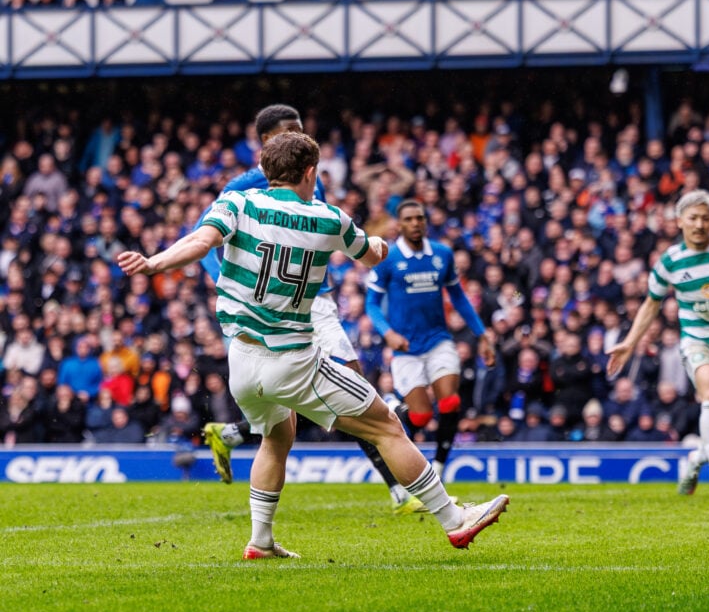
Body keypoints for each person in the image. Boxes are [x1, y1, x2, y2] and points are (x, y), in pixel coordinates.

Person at [118, 132, 508, 559]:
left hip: (241, 362)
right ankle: (454, 520)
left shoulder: (236, 204)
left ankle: (261, 541)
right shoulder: (328, 218)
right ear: (309, 173)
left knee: (277, 436)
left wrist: (154, 262)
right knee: (386, 426)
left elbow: (200, 241)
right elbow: (372, 255)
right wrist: (379, 244)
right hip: (292, 360)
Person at [193, 104, 422, 516]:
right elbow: (204, 236)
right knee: (343, 386)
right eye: (291, 130)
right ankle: (400, 489)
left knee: (334, 387)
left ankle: (232, 434)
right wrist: (230, 281)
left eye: (302, 129)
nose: (302, 136)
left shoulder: (308, 175)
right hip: (283, 304)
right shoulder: (246, 185)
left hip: (315, 296)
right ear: (267, 141)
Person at [607, 189, 709, 494]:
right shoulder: (670, 262)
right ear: (680, 221)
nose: (699, 224)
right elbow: (651, 304)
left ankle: (697, 458)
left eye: (706, 218)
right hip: (697, 340)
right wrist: (629, 343)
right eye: (693, 218)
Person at [365, 199, 496, 480]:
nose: (415, 223)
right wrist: (388, 333)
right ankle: (396, 409)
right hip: (406, 347)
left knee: (449, 402)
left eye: (420, 218)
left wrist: (482, 335)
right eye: (409, 219)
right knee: (421, 417)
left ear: (426, 222)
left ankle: (439, 466)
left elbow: (458, 297)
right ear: (399, 225)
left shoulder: (442, 254)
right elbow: (371, 304)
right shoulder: (388, 258)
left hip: (439, 340)